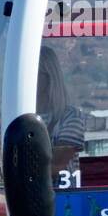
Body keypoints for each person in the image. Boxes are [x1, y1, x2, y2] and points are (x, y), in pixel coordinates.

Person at [37, 45, 86, 176]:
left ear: (50, 76)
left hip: (59, 189)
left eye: (35, 73)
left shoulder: (70, 117)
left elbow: (55, 167)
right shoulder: (16, 117)